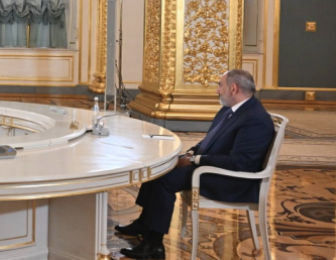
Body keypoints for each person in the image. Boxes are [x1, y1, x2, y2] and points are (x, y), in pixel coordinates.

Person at [116, 69, 274, 259]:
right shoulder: (232, 109)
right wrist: (191, 152)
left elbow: (240, 162)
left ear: (233, 88)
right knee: (158, 167)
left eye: (220, 86)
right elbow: (210, 140)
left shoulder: (255, 119)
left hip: (233, 181)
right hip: (215, 168)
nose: (217, 90)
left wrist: (194, 160)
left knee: (165, 181)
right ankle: (144, 224)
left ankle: (154, 245)